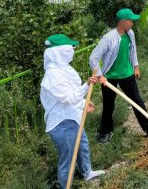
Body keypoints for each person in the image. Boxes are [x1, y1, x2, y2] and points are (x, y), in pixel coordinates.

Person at [40, 34, 105, 189]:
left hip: (71, 118)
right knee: (68, 159)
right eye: (70, 48)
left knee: (83, 146)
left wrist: (83, 102)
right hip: (62, 124)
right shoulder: (52, 75)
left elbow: (71, 94)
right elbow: (68, 97)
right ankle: (65, 186)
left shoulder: (64, 69)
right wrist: (86, 86)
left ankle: (87, 172)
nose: (72, 50)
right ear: (60, 51)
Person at [89, 8, 148, 143]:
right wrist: (100, 76)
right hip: (109, 77)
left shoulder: (130, 33)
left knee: (137, 102)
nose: (132, 23)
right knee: (108, 105)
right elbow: (93, 58)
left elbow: (133, 50)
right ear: (123, 21)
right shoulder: (108, 38)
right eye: (131, 21)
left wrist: (135, 66)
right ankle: (105, 132)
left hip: (127, 74)